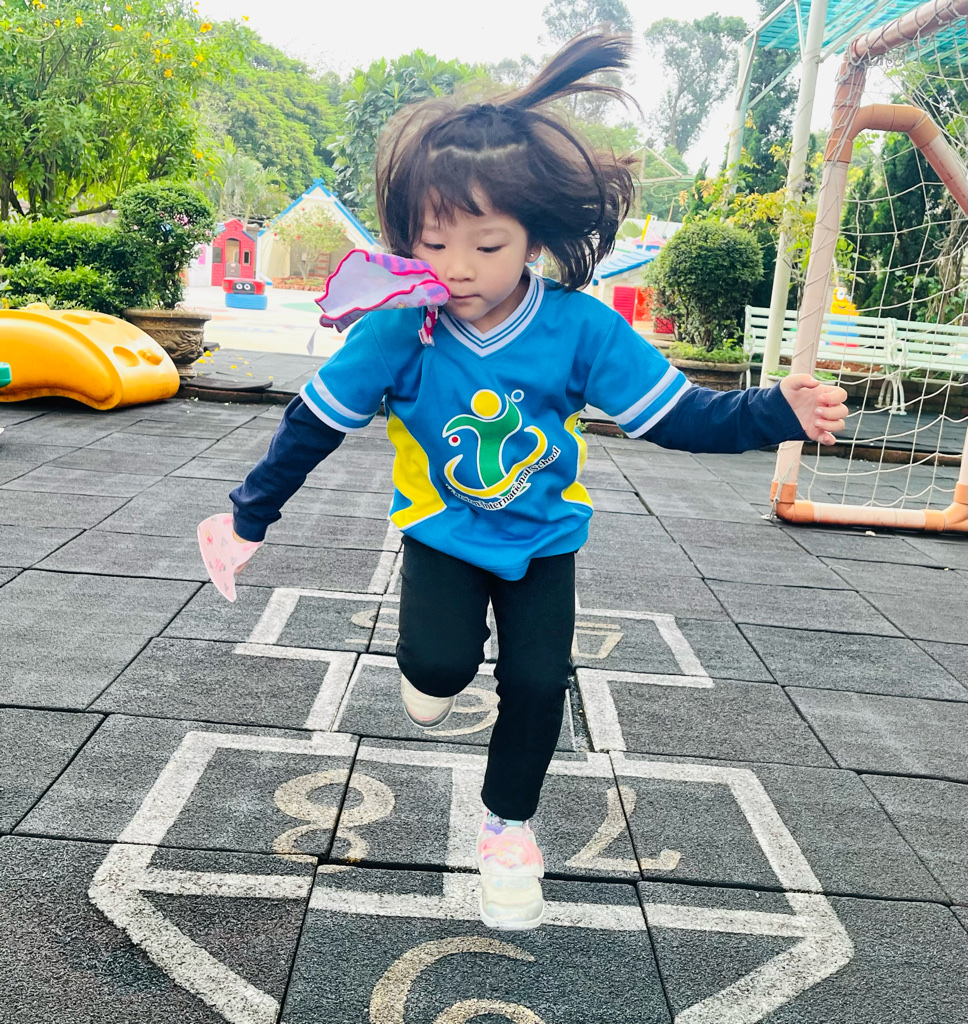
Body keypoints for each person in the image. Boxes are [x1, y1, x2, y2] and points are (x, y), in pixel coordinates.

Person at [223, 32, 848, 931]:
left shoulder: (578, 329)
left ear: (533, 238)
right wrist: (250, 515)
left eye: (488, 244)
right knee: (438, 667)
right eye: (435, 242)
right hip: (443, 533)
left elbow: (677, 417)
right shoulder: (400, 329)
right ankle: (431, 673)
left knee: (539, 680)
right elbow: (313, 423)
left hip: (544, 540)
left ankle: (508, 830)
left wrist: (772, 411)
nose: (458, 268)